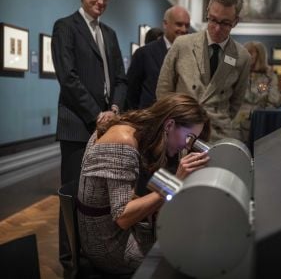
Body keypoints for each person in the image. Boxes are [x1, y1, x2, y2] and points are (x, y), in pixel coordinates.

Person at [77, 93, 211, 276]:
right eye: (189, 138)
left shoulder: (135, 130)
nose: (187, 146)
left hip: (110, 232)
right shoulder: (123, 141)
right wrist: (176, 182)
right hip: (108, 245)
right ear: (169, 124)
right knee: (187, 259)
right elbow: (122, 216)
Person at [51, 0, 127, 271]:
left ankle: (93, 256)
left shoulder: (109, 32)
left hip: (109, 124)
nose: (101, 3)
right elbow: (68, 78)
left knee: (98, 195)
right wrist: (97, 114)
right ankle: (70, 260)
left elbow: (121, 77)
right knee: (72, 193)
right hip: (78, 124)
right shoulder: (65, 27)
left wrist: (115, 109)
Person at [156, 0, 251, 142]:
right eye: (213, 19)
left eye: (225, 23)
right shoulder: (182, 45)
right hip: (181, 130)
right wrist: (172, 120)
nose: (217, 28)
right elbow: (164, 88)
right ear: (207, 12)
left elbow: (236, 101)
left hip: (218, 134)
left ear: (235, 21)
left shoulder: (242, 57)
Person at [126, 6, 190, 110]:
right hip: (149, 121)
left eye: (187, 26)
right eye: (179, 24)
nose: (184, 29)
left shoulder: (191, 56)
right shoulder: (144, 53)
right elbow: (131, 93)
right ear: (165, 24)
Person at [232, 41, 281, 143]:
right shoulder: (238, 73)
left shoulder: (269, 76)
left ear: (260, 55)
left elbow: (274, 100)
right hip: (236, 124)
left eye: (251, 52)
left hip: (259, 122)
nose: (247, 55)